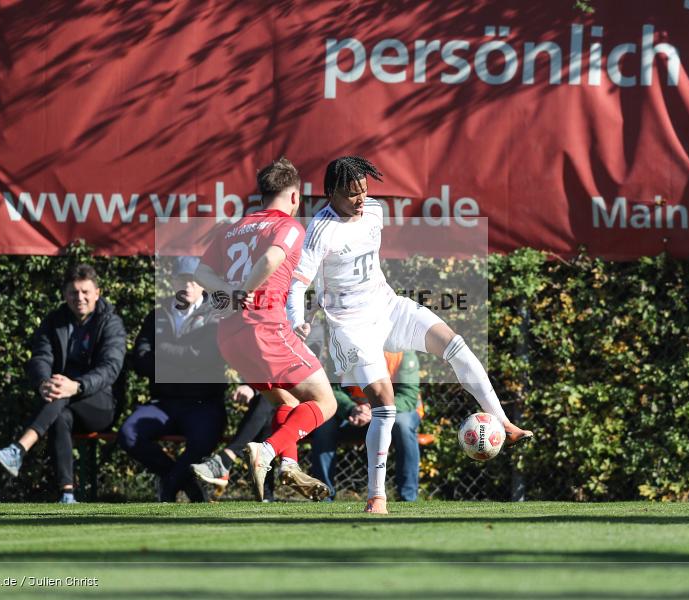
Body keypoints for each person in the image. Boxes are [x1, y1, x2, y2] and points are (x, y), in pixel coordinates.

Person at [286, 156, 534, 514]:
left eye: (364, 191)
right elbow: (297, 285)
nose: (360, 199)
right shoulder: (320, 230)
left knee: (455, 345)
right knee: (384, 404)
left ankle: (505, 423)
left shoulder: (373, 211)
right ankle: (377, 497)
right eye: (351, 193)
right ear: (331, 192)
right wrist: (297, 320)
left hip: (387, 307)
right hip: (350, 327)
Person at [194, 157, 335, 502]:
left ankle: (289, 466)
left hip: (230, 336)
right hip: (264, 327)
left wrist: (228, 292)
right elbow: (271, 259)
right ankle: (268, 451)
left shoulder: (233, 228)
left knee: (285, 399)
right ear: (294, 196)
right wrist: (246, 290)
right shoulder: (288, 226)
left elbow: (200, 273)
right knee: (326, 402)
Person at [0, 264, 126, 503]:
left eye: (85, 292)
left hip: (102, 403)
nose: (79, 298)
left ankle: (19, 450)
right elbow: (41, 357)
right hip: (63, 400)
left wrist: (77, 386)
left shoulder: (111, 323)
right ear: (65, 295)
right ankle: (67, 494)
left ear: (97, 293)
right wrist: (43, 382)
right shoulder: (54, 321)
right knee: (60, 412)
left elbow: (110, 369)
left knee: (62, 393)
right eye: (73, 292)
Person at [117, 256, 227, 502]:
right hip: (163, 403)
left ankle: (170, 485)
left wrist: (164, 351)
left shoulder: (217, 316)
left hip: (203, 403)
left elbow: (204, 357)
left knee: (203, 441)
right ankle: (182, 480)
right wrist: (185, 360)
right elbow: (141, 359)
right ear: (173, 281)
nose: (187, 285)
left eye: (193, 279)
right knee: (128, 434)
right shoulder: (157, 315)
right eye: (182, 279)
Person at [310, 351, 422, 502]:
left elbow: (408, 395)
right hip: (353, 413)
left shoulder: (401, 351)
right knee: (324, 426)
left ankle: (408, 498)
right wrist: (351, 408)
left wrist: (374, 410)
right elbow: (332, 390)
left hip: (396, 411)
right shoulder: (341, 346)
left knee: (403, 425)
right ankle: (322, 497)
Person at [189, 384, 280, 501]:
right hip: (278, 407)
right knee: (268, 411)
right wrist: (254, 388)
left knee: (267, 400)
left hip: (303, 411)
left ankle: (225, 460)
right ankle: (266, 495)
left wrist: (255, 389)